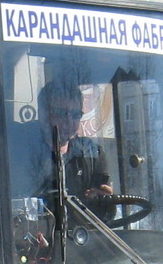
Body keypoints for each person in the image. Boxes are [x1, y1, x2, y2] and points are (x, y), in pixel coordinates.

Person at [13, 80, 114, 218]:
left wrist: (102, 201)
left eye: (75, 115)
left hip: (77, 237)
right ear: (43, 113)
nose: (69, 121)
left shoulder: (91, 155)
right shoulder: (19, 151)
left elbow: (104, 219)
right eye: (61, 113)